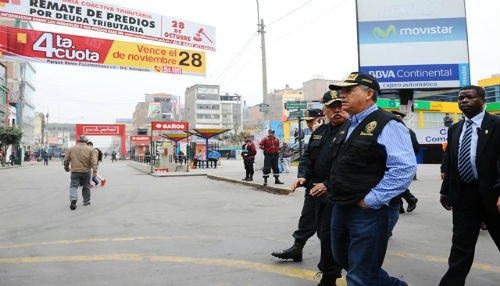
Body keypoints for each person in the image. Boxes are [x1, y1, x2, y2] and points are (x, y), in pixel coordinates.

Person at [328, 72, 416, 286]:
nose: (342, 95)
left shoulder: (388, 124)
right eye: (342, 91)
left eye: (349, 91)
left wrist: (372, 200)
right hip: (343, 204)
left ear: (369, 94)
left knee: (360, 275)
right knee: (344, 259)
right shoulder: (350, 124)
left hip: (369, 210)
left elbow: (404, 168)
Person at [272, 93, 348, 286]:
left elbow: (350, 165)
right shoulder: (320, 131)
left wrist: (328, 184)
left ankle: (332, 276)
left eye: (340, 106)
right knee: (316, 227)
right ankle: (305, 254)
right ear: (325, 111)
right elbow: (307, 157)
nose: (337, 110)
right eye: (332, 107)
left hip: (337, 191)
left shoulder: (353, 130)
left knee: (332, 235)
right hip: (314, 188)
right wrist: (303, 175)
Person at [439, 85, 500, 286]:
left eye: (469, 97)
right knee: (461, 245)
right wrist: (445, 191)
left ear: (483, 101)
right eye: (460, 98)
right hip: (464, 195)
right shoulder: (455, 129)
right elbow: (451, 161)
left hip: (494, 194)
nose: (463, 101)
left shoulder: (497, 124)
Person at [391, 111, 419, 214]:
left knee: (396, 182)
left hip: (403, 162)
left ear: (402, 119)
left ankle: (409, 200)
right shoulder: (390, 131)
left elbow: (415, 147)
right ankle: (403, 205)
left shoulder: (408, 131)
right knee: (395, 183)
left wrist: (408, 159)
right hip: (391, 162)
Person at [64, 136, 97, 210]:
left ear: (78, 141)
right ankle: (86, 201)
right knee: (86, 186)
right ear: (86, 141)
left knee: (73, 186)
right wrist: (95, 171)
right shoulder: (90, 149)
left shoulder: (72, 149)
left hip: (75, 171)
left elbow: (66, 160)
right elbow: (93, 161)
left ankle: (73, 198)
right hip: (86, 171)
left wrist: (66, 167)